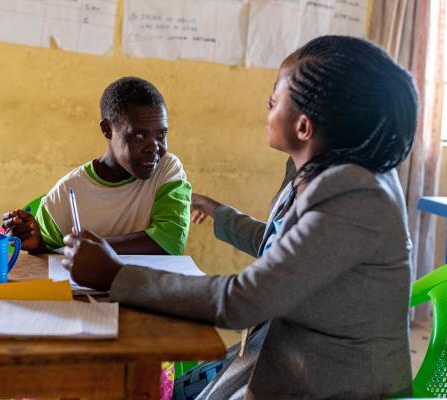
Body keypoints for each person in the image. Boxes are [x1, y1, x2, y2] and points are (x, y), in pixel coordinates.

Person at [61, 36, 418, 399]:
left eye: (276, 98)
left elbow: (243, 301)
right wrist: (221, 214)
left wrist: (116, 275)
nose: (268, 103)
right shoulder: (320, 172)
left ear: (304, 127)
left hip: (333, 383)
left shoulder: (356, 195)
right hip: (288, 354)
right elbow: (290, 251)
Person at [2, 77, 191, 256]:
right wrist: (37, 243)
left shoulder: (167, 169)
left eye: (161, 135)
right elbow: (48, 251)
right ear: (107, 129)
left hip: (145, 290)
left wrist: (91, 248)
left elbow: (170, 241)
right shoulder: (68, 191)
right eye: (140, 135)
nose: (154, 147)